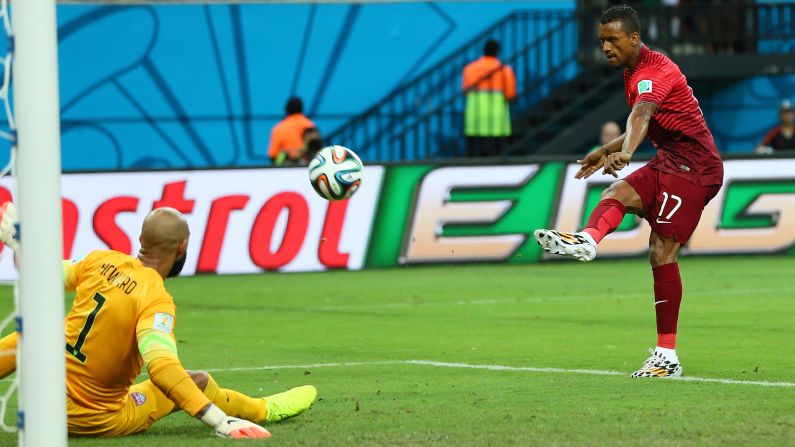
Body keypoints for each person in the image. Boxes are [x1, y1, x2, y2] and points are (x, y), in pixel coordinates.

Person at [0, 204, 316, 438]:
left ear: (140, 239)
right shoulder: (156, 300)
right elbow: (162, 367)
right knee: (198, 380)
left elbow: (43, 272)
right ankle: (263, 410)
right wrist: (219, 420)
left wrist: (19, 245)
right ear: (182, 248)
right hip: (96, 419)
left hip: (42, 404)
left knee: (35, 333)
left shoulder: (99, 260)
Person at [533, 5, 723, 378]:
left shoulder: (654, 72)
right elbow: (645, 119)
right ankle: (587, 240)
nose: (605, 46)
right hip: (671, 161)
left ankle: (667, 357)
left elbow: (642, 116)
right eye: (602, 40)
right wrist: (605, 151)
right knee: (616, 193)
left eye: (612, 39)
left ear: (634, 38)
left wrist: (625, 152)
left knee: (661, 251)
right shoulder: (633, 70)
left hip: (695, 169)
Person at [462, 39, 517, 157]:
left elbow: (466, 90)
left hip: (475, 111)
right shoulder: (504, 69)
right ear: (497, 52)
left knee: (474, 146)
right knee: (497, 147)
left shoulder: (470, 68)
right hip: (496, 112)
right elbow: (510, 93)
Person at [268, 96, 317, 166]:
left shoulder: (279, 128)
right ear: (301, 109)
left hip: (285, 168)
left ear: (286, 109)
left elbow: (273, 155)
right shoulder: (310, 125)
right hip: (306, 166)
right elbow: (316, 149)